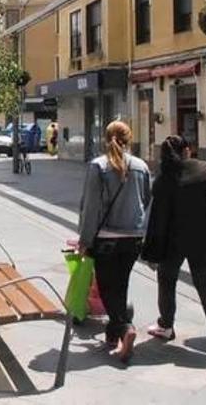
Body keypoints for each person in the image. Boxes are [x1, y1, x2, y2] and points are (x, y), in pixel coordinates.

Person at [145, 135, 206, 358]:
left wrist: (153, 249)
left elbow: (157, 218)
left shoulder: (164, 180)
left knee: (166, 280)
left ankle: (166, 325)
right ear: (187, 150)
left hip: (174, 241)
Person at [78, 121, 151, 363]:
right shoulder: (141, 166)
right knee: (120, 284)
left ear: (105, 138)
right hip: (133, 237)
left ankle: (124, 329)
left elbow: (91, 208)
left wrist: (85, 239)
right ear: (129, 139)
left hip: (106, 237)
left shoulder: (98, 166)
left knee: (107, 289)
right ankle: (112, 333)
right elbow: (146, 198)